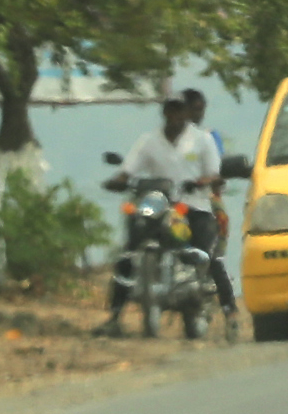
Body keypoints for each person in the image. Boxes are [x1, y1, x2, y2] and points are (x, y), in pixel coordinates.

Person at [97, 94, 219, 338]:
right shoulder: (148, 141)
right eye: (171, 111)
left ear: (186, 113)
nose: (175, 116)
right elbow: (128, 170)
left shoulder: (202, 140)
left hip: (190, 204)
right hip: (156, 204)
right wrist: (117, 181)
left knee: (204, 244)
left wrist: (198, 183)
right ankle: (115, 316)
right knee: (128, 252)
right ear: (164, 113)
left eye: (179, 111)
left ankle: (205, 287)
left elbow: (214, 174)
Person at [175, 88, 239, 319]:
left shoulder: (208, 138)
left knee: (212, 256)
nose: (197, 114)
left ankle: (229, 309)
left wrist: (203, 183)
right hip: (173, 204)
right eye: (193, 109)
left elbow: (217, 175)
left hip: (205, 202)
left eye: (200, 109)